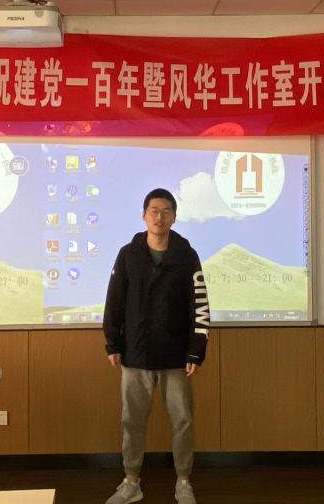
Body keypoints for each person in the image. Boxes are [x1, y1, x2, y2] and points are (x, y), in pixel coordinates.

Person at [103, 188, 209, 504]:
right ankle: (131, 481)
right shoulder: (128, 254)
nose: (159, 217)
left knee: (182, 421)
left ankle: (183, 481)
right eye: (153, 210)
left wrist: (196, 349)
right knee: (131, 422)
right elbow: (114, 300)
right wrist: (112, 342)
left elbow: (200, 305)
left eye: (165, 211)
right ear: (144, 215)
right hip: (135, 354)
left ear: (174, 216)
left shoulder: (187, 256)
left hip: (176, 356)